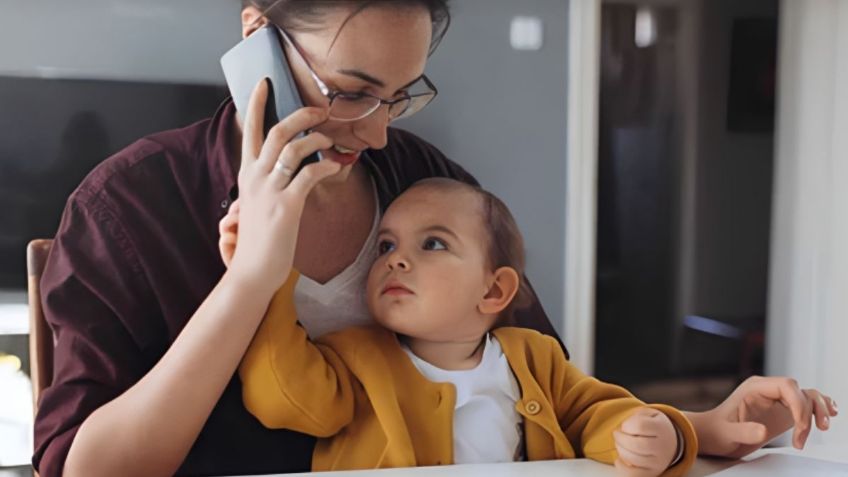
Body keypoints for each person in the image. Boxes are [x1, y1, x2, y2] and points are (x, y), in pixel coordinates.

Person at [32, 1, 837, 476]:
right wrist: (250, 282)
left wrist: (689, 429)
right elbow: (88, 468)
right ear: (256, 37)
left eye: (398, 96)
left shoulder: (425, 184)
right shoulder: (127, 208)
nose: (376, 135)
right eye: (349, 94)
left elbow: (542, 393)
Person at [222, 177, 699, 476]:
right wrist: (269, 279)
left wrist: (655, 435)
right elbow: (282, 397)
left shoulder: (534, 358)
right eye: (386, 246)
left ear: (492, 292)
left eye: (432, 244)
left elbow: (596, 414)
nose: (397, 261)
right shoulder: (356, 356)